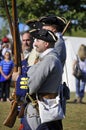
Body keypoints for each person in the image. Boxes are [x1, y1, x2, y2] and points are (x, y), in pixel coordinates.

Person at [25, 29, 63, 130]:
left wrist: (20, 80)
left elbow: (32, 86)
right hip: (45, 109)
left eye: (37, 41)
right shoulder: (49, 58)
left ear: (46, 43)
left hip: (43, 110)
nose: (35, 43)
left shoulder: (49, 59)